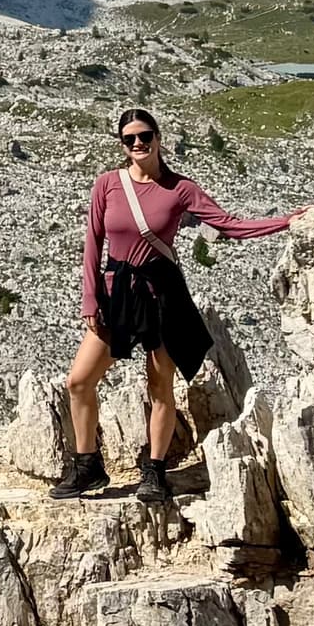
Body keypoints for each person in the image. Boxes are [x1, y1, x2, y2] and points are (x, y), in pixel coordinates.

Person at [56, 106, 293, 506]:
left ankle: (154, 470)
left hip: (160, 294)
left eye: (144, 136)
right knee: (79, 380)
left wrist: (288, 221)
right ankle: (87, 464)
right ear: (121, 144)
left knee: (159, 386)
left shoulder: (180, 188)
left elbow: (229, 225)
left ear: (158, 137)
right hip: (117, 294)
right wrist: (90, 297)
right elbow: (92, 244)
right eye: (129, 139)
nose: (137, 144)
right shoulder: (107, 185)